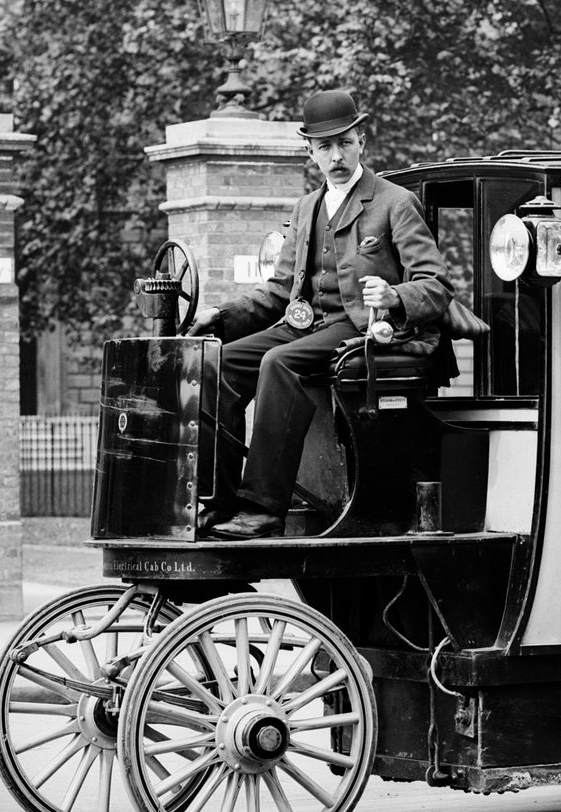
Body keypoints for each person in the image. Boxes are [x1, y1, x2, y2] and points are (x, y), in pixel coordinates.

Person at [187, 89, 452, 539]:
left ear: (361, 142)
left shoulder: (394, 202)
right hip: (304, 323)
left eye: (344, 143)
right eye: (325, 147)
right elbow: (278, 292)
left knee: (279, 362)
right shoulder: (306, 207)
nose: (336, 155)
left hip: (358, 327)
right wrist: (221, 316)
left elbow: (437, 284)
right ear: (310, 151)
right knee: (218, 363)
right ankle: (220, 500)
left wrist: (394, 296)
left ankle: (264, 508)